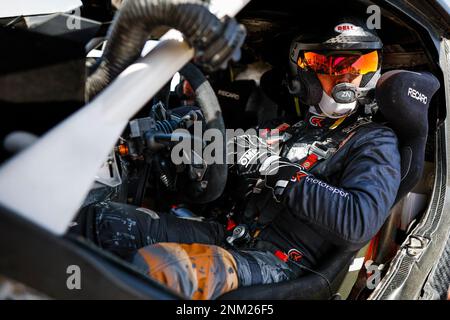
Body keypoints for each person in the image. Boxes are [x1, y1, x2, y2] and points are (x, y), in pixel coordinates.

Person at [73, 17, 401, 299]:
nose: (347, 77)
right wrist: (180, 142)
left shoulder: (374, 141)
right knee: (95, 220)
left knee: (163, 270)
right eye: (329, 65)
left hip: (279, 264)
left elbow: (358, 221)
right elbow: (232, 152)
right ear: (304, 74)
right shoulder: (290, 129)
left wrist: (273, 167)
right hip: (228, 233)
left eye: (359, 66)